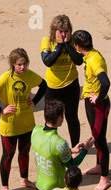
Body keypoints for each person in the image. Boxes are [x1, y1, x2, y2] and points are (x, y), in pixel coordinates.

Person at [0, 48, 47, 190]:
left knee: (24, 152)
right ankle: (4, 187)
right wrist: (1, 110)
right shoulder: (6, 78)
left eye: (25, 64)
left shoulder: (30, 76)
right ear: (12, 64)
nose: (22, 67)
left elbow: (43, 85)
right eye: (19, 64)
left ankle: (24, 179)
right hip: (10, 126)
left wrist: (35, 101)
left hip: (27, 123)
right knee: (8, 155)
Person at [73, 29, 111, 190]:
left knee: (100, 140)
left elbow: (106, 82)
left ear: (78, 46)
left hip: (98, 105)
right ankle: (98, 166)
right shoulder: (90, 54)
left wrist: (99, 98)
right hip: (92, 102)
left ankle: (105, 177)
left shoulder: (94, 60)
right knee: (96, 137)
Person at [41, 14, 83, 148]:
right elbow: (48, 62)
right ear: (54, 31)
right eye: (61, 31)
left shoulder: (73, 42)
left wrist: (67, 44)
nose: (64, 34)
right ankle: (50, 145)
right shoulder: (46, 41)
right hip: (52, 87)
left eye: (66, 31)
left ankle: (75, 146)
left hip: (71, 85)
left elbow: (78, 61)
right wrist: (59, 45)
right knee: (51, 119)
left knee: (72, 117)